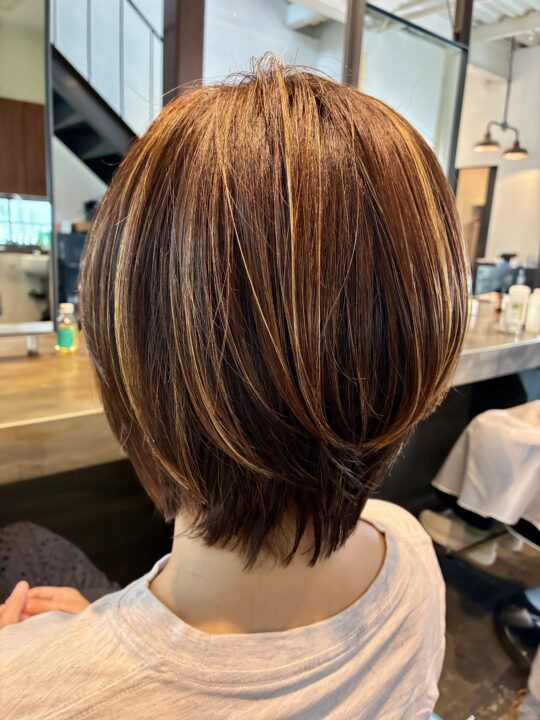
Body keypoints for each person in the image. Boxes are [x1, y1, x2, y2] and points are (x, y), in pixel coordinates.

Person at [0, 57, 467, 719]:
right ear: (422, 350)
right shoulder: (411, 552)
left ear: (126, 364)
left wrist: (41, 666)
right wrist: (84, 645)